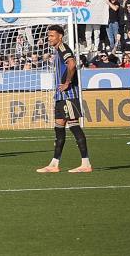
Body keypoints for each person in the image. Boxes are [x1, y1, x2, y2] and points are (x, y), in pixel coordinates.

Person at [38, 25, 92, 173]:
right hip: (60, 96)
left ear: (60, 37)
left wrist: (67, 82)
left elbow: (72, 64)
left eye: (52, 36)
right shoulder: (58, 50)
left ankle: (86, 164)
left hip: (68, 95)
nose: (49, 38)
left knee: (74, 126)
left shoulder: (63, 48)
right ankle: (54, 164)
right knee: (59, 128)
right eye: (48, 36)